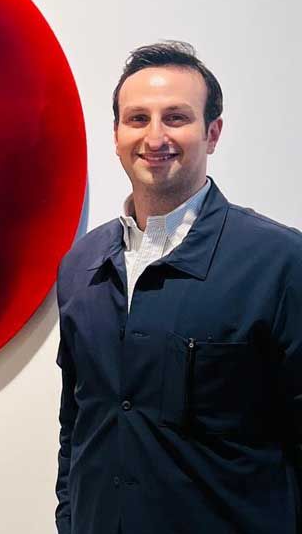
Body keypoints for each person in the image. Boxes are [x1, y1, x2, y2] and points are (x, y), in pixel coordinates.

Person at [54, 41, 302, 534]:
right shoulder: (81, 266)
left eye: (176, 117)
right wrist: (69, 516)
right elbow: (76, 422)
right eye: (137, 119)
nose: (155, 136)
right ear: (116, 135)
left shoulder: (280, 263)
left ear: (213, 133)